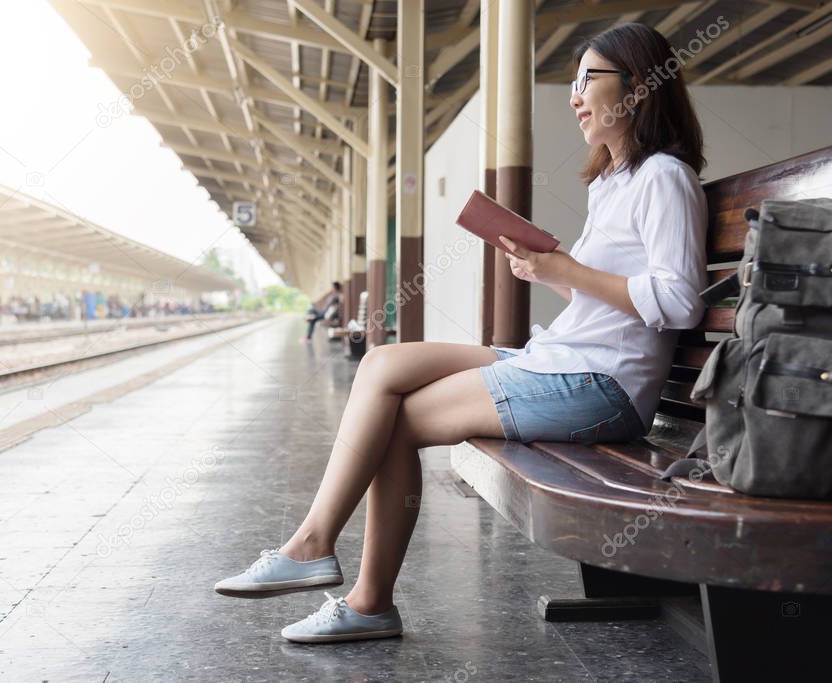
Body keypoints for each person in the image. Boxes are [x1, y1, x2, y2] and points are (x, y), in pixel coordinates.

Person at [216, 21, 708, 643]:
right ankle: (327, 560)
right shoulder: (614, 182)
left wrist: (568, 268)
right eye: (573, 83)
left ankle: (347, 580)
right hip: (562, 358)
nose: (576, 95)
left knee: (390, 421)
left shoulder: (664, 176)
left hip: (598, 383)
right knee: (381, 366)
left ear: (638, 86)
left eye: (589, 79)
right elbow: (609, 295)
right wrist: (545, 269)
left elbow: (679, 302)